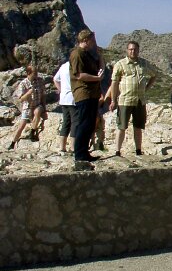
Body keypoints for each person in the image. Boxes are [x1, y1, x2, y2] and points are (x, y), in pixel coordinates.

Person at [109, 40, 156, 157]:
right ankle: (117, 151)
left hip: (140, 100)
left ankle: (138, 150)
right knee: (122, 126)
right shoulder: (120, 64)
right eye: (130, 49)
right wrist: (113, 100)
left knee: (138, 127)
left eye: (135, 49)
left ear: (138, 50)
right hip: (125, 100)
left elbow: (154, 75)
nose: (132, 51)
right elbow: (114, 83)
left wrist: (146, 88)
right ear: (127, 50)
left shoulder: (144, 63)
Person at [69, 29, 104, 170]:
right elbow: (79, 75)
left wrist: (100, 58)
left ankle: (84, 152)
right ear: (85, 40)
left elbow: (98, 67)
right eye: (92, 40)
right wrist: (97, 78)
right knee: (84, 123)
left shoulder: (87, 54)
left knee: (89, 124)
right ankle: (79, 154)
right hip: (83, 93)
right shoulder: (77, 54)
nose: (94, 43)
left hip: (92, 94)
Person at [8, 64, 47, 150]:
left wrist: (44, 108)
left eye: (36, 72)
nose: (36, 74)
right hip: (28, 106)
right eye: (34, 73)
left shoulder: (40, 81)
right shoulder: (23, 83)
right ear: (29, 73)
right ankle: (13, 143)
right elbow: (21, 99)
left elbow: (43, 95)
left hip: (37, 104)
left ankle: (32, 132)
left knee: (37, 112)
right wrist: (28, 93)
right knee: (22, 125)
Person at [53, 57, 76, 154]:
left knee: (66, 122)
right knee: (75, 122)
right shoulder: (75, 66)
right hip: (73, 98)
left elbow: (55, 79)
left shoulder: (63, 66)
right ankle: (73, 147)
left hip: (64, 98)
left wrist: (61, 90)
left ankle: (62, 147)